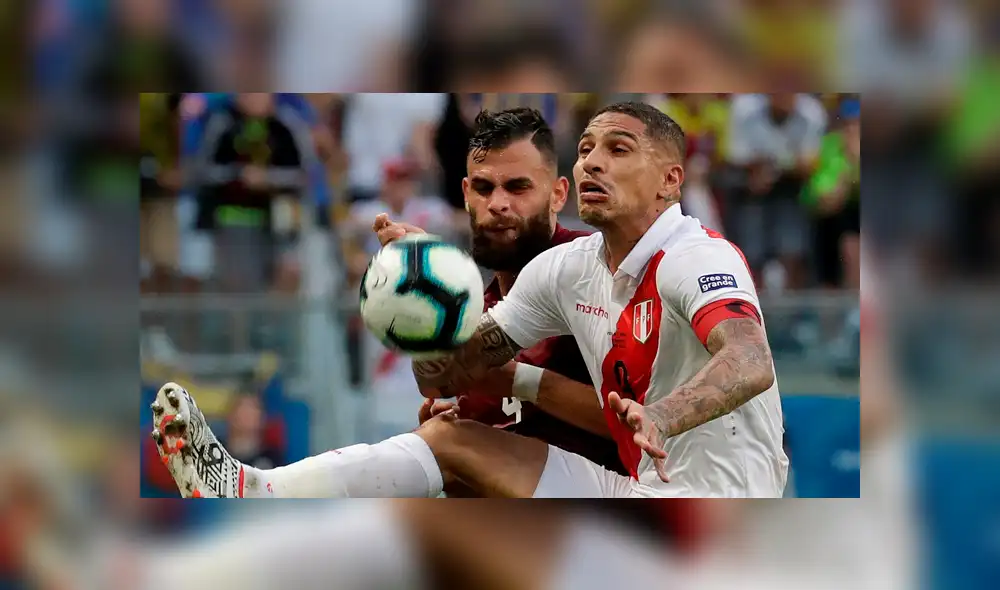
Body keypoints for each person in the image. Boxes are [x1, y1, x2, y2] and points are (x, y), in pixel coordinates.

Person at [152, 101, 785, 498]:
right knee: (447, 443)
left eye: (618, 150)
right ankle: (249, 487)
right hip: (625, 492)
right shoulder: (567, 272)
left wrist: (663, 417)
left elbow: (751, 360)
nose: (594, 161)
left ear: (672, 180)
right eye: (588, 145)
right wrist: (427, 295)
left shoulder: (697, 255)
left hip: (723, 511)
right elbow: (454, 369)